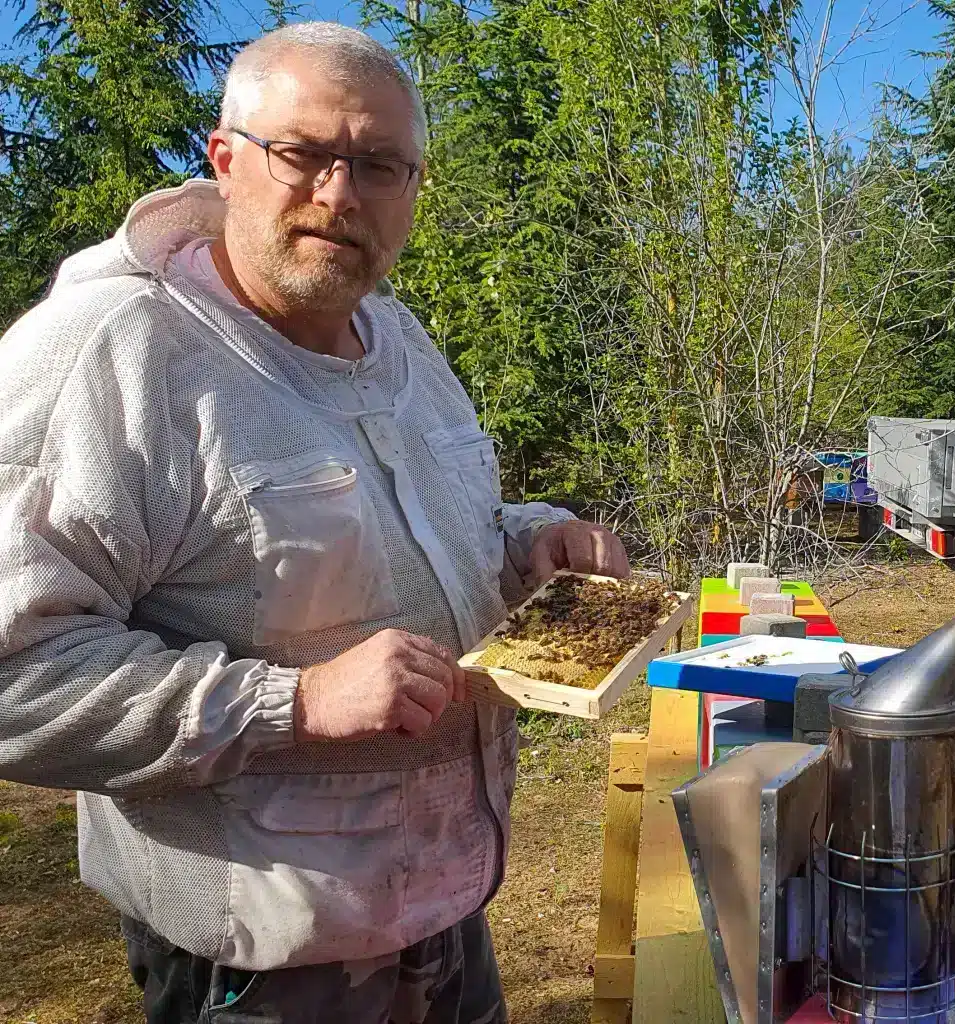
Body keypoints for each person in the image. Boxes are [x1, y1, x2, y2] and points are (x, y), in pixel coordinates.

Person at [0, 22, 630, 1024]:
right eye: (302, 153)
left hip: (447, 912)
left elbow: (434, 529)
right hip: (262, 960)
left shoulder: (403, 343)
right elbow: (15, 674)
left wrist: (529, 542)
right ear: (226, 160)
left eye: (379, 164)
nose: (339, 195)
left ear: (414, 189)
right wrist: (289, 702)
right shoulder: (113, 355)